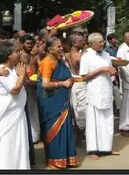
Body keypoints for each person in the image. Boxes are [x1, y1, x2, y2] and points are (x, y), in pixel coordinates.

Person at [37, 37, 78, 169]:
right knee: (54, 128)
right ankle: (55, 158)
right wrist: (62, 83)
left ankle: (66, 158)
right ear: (50, 49)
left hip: (62, 99)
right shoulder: (47, 62)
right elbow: (45, 84)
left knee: (65, 127)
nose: (61, 49)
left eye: (61, 46)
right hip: (51, 101)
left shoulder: (60, 60)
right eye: (58, 47)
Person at [0, 43, 30, 169]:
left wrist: (22, 74)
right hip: (4, 112)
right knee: (4, 142)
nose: (20, 54)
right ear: (8, 56)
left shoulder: (14, 69)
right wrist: (21, 75)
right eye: (17, 52)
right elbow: (14, 90)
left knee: (16, 141)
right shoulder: (3, 70)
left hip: (16, 111)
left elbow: (24, 84)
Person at [80, 33, 119, 161]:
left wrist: (112, 71)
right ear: (92, 44)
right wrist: (101, 69)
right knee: (94, 122)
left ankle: (107, 147)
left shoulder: (107, 55)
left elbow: (109, 69)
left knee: (108, 121)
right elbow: (84, 77)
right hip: (94, 93)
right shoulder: (86, 56)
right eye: (100, 42)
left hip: (106, 90)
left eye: (103, 41)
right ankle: (92, 150)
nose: (103, 44)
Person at [65, 33, 87, 148]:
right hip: (81, 84)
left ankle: (79, 136)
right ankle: (79, 138)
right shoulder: (79, 56)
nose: (83, 42)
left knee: (76, 110)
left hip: (74, 84)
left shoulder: (67, 55)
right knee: (81, 112)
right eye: (81, 40)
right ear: (74, 43)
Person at [19, 34, 40, 144]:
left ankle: (34, 136)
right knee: (28, 110)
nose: (30, 45)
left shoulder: (33, 55)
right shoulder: (21, 55)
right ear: (22, 44)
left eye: (31, 43)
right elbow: (24, 71)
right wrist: (28, 81)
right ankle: (31, 137)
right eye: (27, 43)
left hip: (33, 84)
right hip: (25, 85)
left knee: (33, 110)